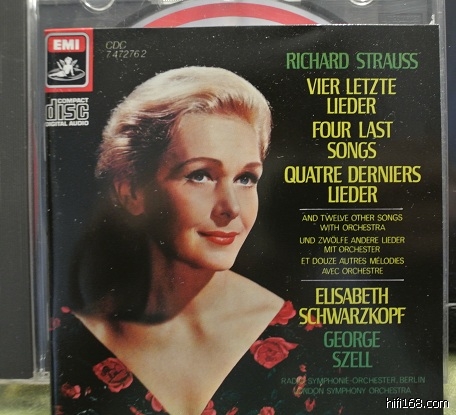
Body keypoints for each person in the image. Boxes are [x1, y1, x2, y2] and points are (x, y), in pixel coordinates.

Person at [53, 67, 313, 415]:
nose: (231, 208)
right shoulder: (66, 341)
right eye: (201, 175)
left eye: (246, 178)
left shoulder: (304, 338)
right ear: (131, 192)